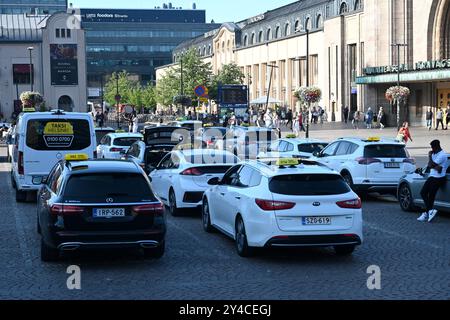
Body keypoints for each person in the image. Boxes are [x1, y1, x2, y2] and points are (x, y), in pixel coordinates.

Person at [418, 140, 448, 222]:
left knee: (431, 195)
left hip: (439, 178)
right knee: (423, 192)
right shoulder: (435, 154)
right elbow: (430, 165)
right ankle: (430, 211)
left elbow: (432, 164)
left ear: (436, 147)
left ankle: (427, 213)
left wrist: (430, 157)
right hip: (432, 176)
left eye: (432, 147)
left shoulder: (442, 155)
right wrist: (435, 166)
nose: (431, 149)